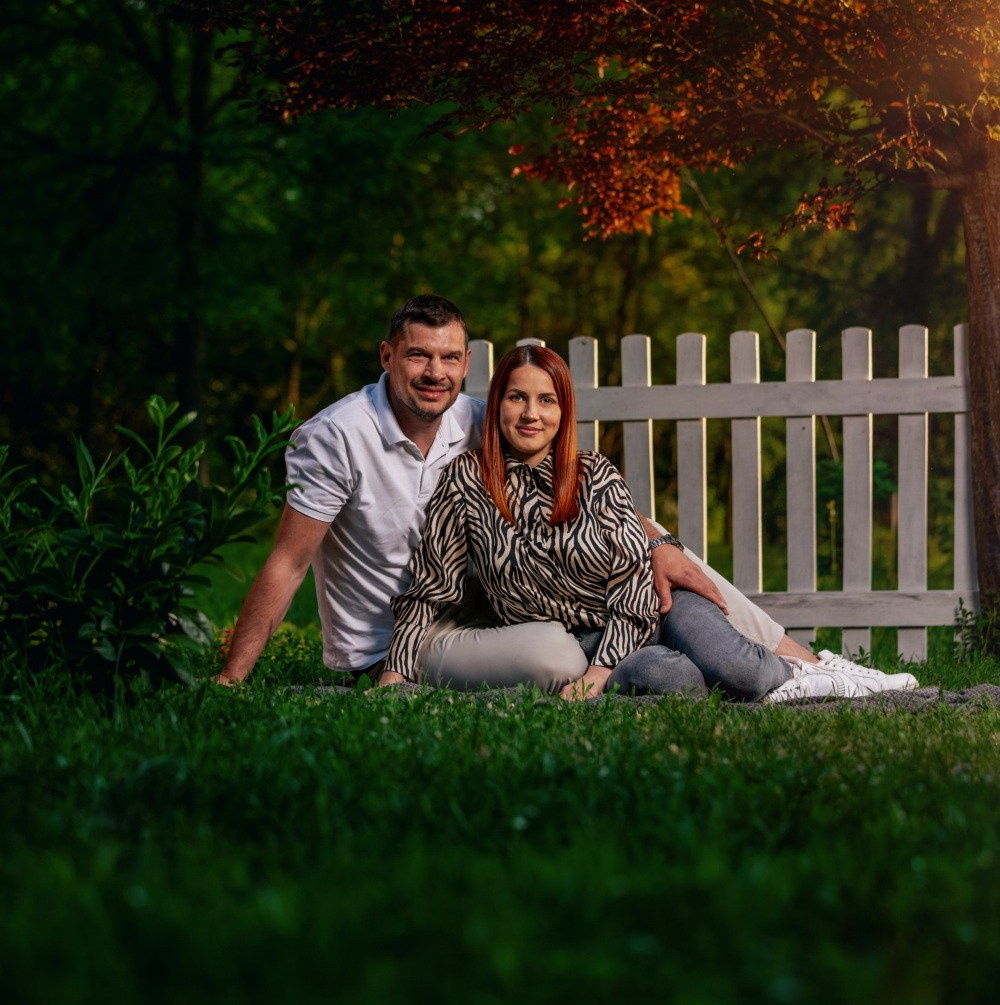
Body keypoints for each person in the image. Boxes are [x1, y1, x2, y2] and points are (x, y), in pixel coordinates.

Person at [217, 294, 913, 695]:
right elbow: (289, 562)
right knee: (561, 651)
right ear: (387, 357)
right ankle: (650, 678)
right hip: (406, 639)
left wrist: (659, 543)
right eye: (418, 356)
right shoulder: (336, 437)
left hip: (494, 618)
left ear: (467, 362)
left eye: (449, 358)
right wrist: (232, 680)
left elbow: (577, 486)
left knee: (670, 558)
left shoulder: (476, 418)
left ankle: (811, 666)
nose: (434, 372)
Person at [380, 344, 916, 702]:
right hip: (584, 641)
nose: (531, 413)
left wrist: (597, 674)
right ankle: (732, 680)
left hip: (653, 610)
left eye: (547, 400)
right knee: (675, 680)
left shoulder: (596, 475)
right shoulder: (465, 484)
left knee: (744, 668)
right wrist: (394, 674)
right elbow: (431, 589)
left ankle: (821, 676)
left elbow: (638, 576)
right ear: (497, 404)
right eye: (517, 397)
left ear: (564, 412)